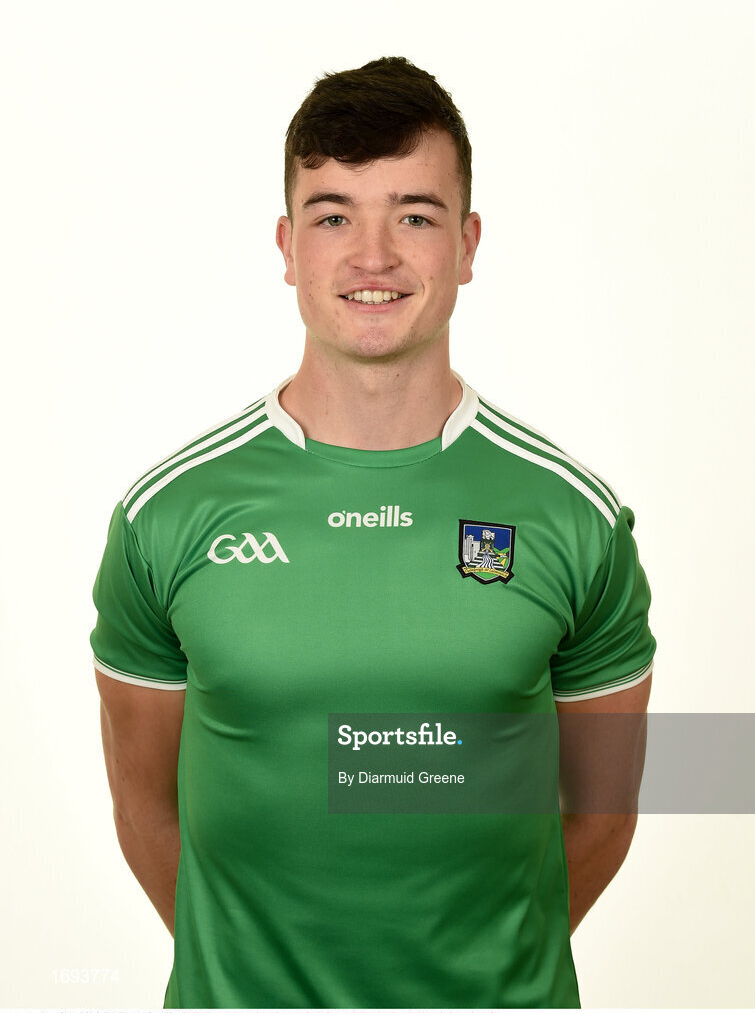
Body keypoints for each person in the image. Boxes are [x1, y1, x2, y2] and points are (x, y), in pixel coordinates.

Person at [91, 56, 655, 1009]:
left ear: (468, 244)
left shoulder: (573, 518)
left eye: (415, 214)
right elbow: (146, 807)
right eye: (334, 215)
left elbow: (601, 814)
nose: (373, 256)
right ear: (287, 245)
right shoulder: (168, 516)